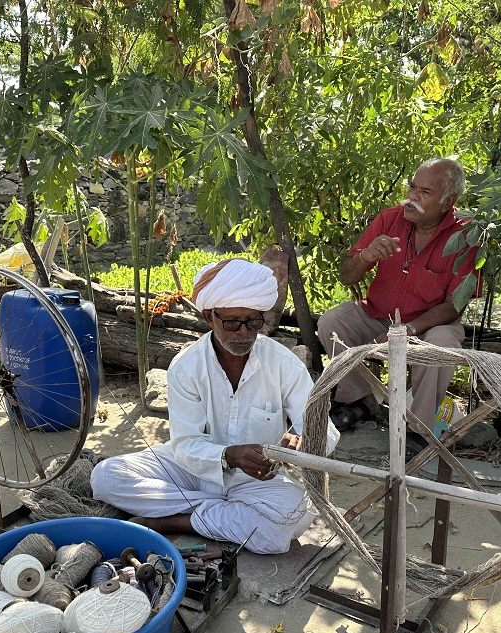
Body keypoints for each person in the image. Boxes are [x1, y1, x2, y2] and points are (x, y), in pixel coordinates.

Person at [91, 258, 340, 555]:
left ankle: (174, 520)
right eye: (233, 322)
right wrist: (228, 455)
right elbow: (185, 445)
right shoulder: (186, 367)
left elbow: (327, 433)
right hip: (190, 470)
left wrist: (303, 444)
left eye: (254, 321)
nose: (244, 332)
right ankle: (227, 515)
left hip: (256, 480)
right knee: (106, 476)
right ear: (210, 317)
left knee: (294, 516)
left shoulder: (284, 364)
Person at [317, 157, 481, 453]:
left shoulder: (465, 235)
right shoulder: (389, 218)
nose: (412, 197)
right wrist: (365, 257)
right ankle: (362, 399)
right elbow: (346, 276)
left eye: (425, 193)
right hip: (378, 315)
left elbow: (454, 305)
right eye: (412, 187)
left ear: (448, 202)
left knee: (443, 344)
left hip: (429, 323)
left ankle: (420, 426)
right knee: (332, 323)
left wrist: (410, 329)